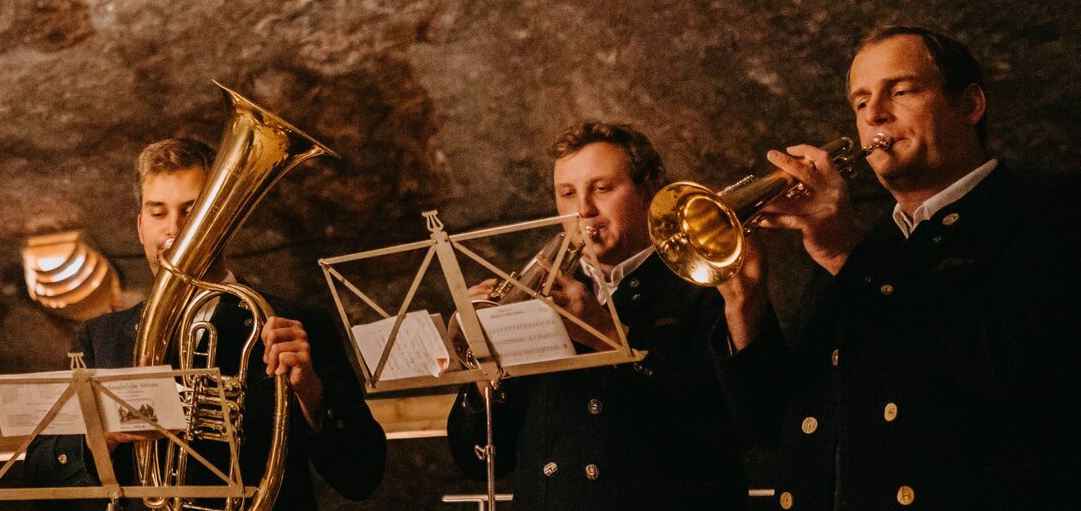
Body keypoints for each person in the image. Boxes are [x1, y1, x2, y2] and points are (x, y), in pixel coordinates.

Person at [717, 27, 1081, 510]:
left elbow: (1011, 371)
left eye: (902, 91)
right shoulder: (871, 245)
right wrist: (746, 304)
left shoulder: (1049, 208)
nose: (873, 115)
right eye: (861, 99)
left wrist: (845, 254)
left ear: (970, 105)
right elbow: (773, 426)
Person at [23, 138, 386, 511]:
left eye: (191, 210)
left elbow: (362, 476)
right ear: (140, 228)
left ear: (224, 219)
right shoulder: (101, 339)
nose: (174, 230)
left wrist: (310, 392)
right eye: (158, 213)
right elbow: (39, 474)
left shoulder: (295, 325)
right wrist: (104, 435)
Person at [446, 123, 746, 510]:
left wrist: (605, 332)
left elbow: (728, 429)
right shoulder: (535, 296)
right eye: (567, 193)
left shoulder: (701, 282)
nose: (583, 209)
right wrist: (484, 380)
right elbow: (477, 463)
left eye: (602, 189)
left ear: (648, 191)